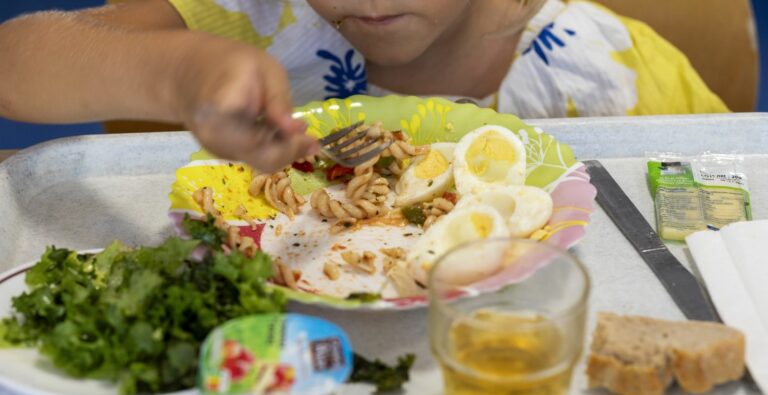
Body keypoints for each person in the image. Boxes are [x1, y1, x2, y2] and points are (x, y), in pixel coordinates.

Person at [0, 0, 728, 172]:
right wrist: (180, 73)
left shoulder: (616, 71)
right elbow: (15, 61)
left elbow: (737, 205)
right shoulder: (256, 17)